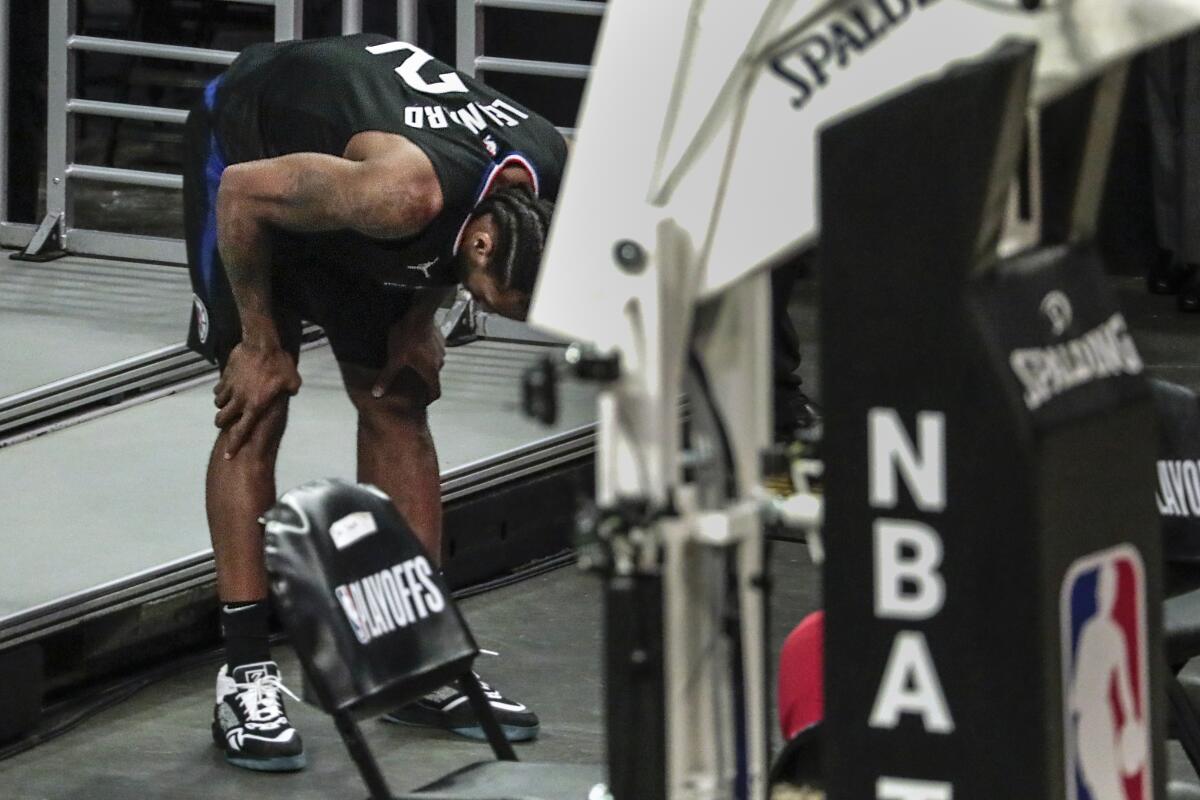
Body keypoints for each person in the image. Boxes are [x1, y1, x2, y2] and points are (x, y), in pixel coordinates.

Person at [182, 33, 567, 772]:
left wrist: (421, 322)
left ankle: (411, 659)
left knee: (398, 396)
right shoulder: (403, 194)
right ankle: (244, 672)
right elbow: (244, 194)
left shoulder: (545, 167)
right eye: (494, 304)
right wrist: (261, 341)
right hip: (253, 164)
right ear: (483, 245)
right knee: (257, 401)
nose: (487, 314)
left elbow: (456, 228)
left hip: (352, 187)